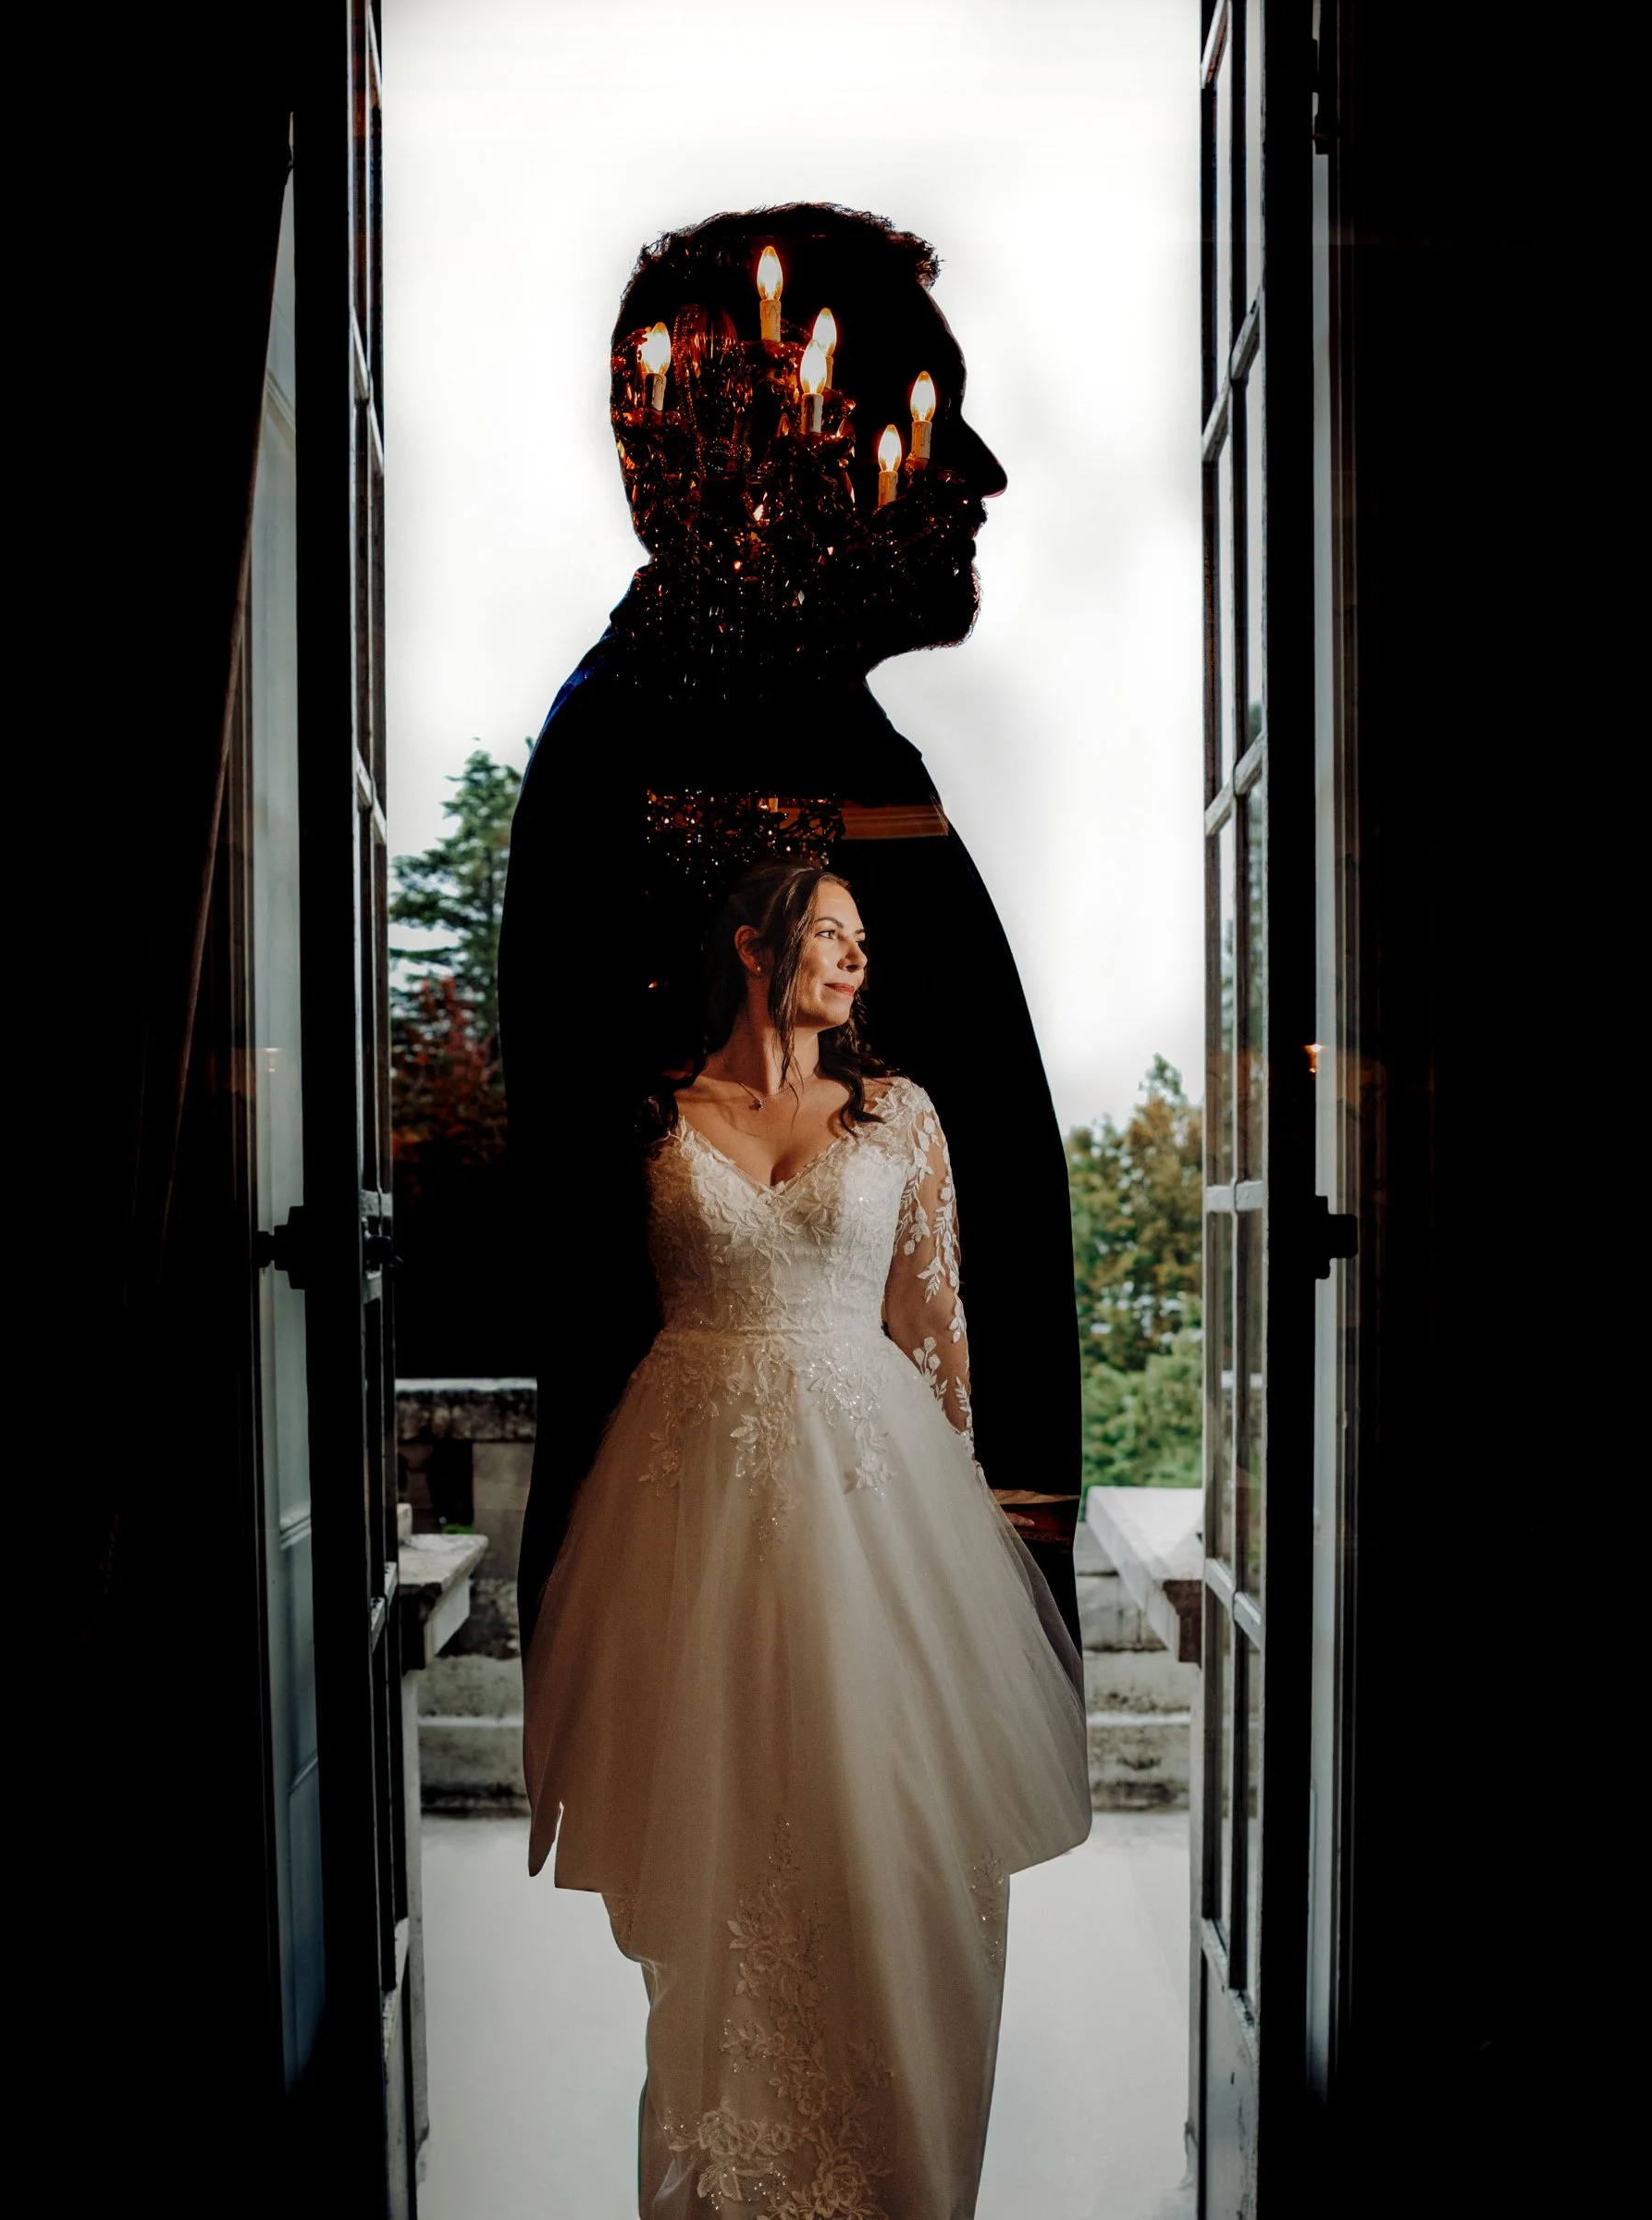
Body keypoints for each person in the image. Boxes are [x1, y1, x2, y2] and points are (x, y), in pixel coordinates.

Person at [499, 204, 1083, 1658]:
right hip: (800, 1591)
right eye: (928, 416)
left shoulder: (788, 733)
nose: (981, 473)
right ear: (791, 447)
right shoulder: (684, 753)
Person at [525, 859, 1091, 2219]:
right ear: (754, 945)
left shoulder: (900, 1115)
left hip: (868, 1500)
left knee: (882, 1822)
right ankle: (726, 2165)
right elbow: (592, 1337)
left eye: (861, 942)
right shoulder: (656, 1120)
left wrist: (954, 1559)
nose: (853, 960)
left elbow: (939, 1340)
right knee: (720, 1821)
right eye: (828, 936)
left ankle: (897, 2153)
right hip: (683, 1514)